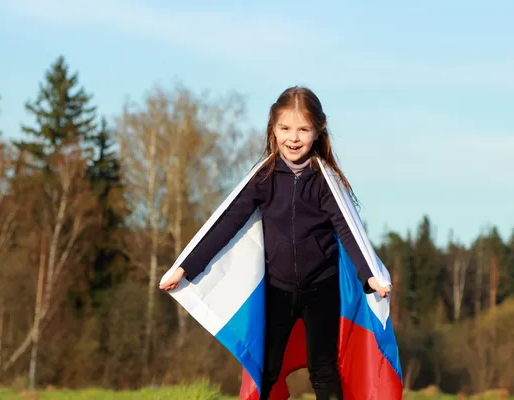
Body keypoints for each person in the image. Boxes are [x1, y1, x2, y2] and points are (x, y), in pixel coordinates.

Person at [159, 86, 391, 400]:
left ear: (318, 131)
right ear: (273, 130)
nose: (293, 138)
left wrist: (370, 275)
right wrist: (185, 268)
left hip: (321, 289)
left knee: (323, 370)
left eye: (303, 129)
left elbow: (349, 230)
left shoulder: (325, 181)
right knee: (266, 369)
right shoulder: (264, 177)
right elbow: (225, 223)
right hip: (276, 290)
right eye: (285, 128)